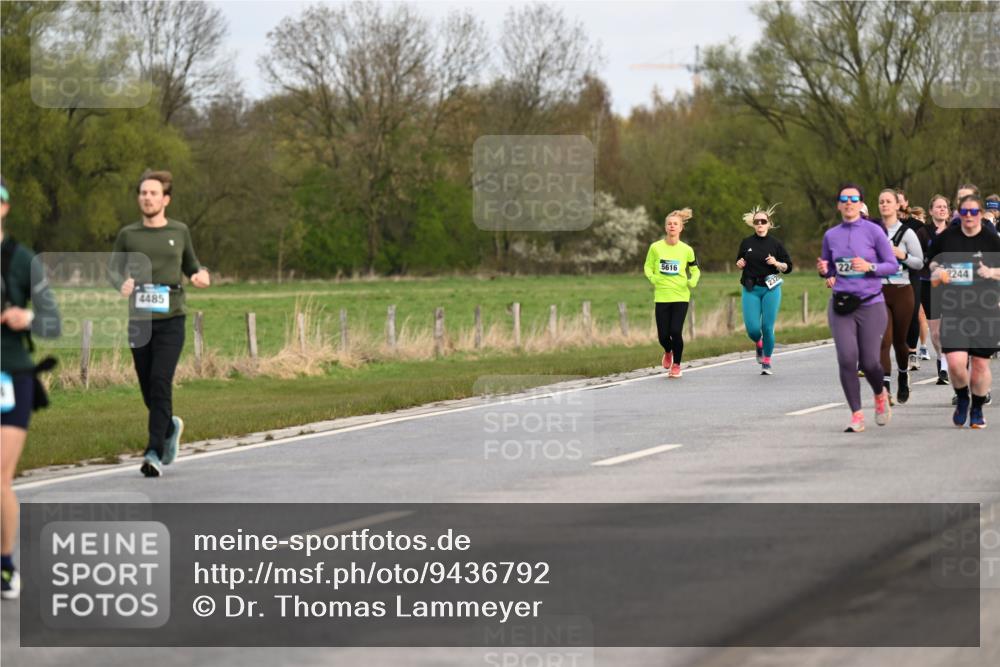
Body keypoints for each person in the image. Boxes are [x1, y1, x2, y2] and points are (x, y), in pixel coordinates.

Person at [108, 170, 210, 477]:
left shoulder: (180, 231)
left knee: (160, 380)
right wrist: (121, 283)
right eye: (143, 193)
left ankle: (153, 451)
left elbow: (192, 265)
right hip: (139, 321)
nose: (147, 198)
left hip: (172, 318)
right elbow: (112, 270)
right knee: (147, 387)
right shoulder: (128, 234)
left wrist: (200, 275)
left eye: (153, 193)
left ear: (166, 199)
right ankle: (169, 427)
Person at [1, 176, 61, 599]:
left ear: (4, 207)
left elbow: (53, 322)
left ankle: (5, 565)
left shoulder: (22, 260)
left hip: (10, 377)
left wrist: (28, 318)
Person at [817, 184, 898, 432]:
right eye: (844, 199)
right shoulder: (831, 235)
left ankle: (880, 393)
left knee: (870, 362)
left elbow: (892, 265)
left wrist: (869, 267)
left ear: (861, 204)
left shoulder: (874, 231)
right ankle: (857, 414)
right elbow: (829, 268)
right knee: (846, 358)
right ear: (838, 205)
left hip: (871, 304)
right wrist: (824, 271)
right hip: (842, 305)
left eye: (854, 199)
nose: (849, 203)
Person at [927, 193, 1000, 429]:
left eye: (974, 212)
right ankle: (962, 398)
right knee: (956, 364)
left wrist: (991, 273)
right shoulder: (947, 238)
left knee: (979, 366)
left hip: (984, 310)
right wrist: (937, 271)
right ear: (958, 213)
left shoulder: (991, 240)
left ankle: (977, 407)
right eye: (964, 211)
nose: (969, 216)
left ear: (981, 214)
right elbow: (932, 262)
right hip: (954, 309)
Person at [876, 189, 923, 404]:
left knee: (899, 342)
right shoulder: (873, 231)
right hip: (879, 291)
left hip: (902, 290)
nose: (884, 205)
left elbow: (919, 263)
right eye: (881, 202)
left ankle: (903, 375)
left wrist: (902, 255)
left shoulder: (907, 233)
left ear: (897, 205)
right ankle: (885, 388)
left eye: (888, 201)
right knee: (883, 340)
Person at [735, 204, 793, 375]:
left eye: (763, 221)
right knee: (753, 329)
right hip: (751, 288)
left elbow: (788, 267)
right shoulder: (746, 242)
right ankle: (758, 343)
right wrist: (740, 263)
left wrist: (776, 263)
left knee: (767, 327)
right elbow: (739, 261)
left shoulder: (776, 244)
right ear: (753, 225)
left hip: (771, 288)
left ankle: (766, 361)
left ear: (769, 223)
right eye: (757, 222)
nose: (760, 224)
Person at [644, 208, 700, 378]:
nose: (672, 226)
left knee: (675, 331)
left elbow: (695, 270)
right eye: (669, 224)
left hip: (681, 296)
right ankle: (668, 351)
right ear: (665, 227)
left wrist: (693, 281)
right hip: (662, 296)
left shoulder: (687, 250)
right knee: (663, 336)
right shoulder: (655, 247)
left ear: (681, 228)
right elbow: (647, 266)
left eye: (675, 224)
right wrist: (653, 278)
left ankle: (676, 365)